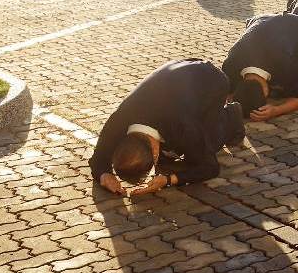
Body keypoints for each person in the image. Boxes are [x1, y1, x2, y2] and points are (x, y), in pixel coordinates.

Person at [90, 59, 244, 196]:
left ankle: (231, 115)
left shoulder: (182, 125)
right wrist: (104, 174)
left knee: (205, 147)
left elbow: (210, 167)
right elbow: (98, 158)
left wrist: (168, 180)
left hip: (212, 81)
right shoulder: (120, 118)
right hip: (179, 72)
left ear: (156, 153)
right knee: (179, 149)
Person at [222, 13, 298, 122]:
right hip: (259, 19)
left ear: (267, 92)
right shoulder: (230, 64)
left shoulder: (287, 67)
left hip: (294, 24)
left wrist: (276, 110)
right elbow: (227, 95)